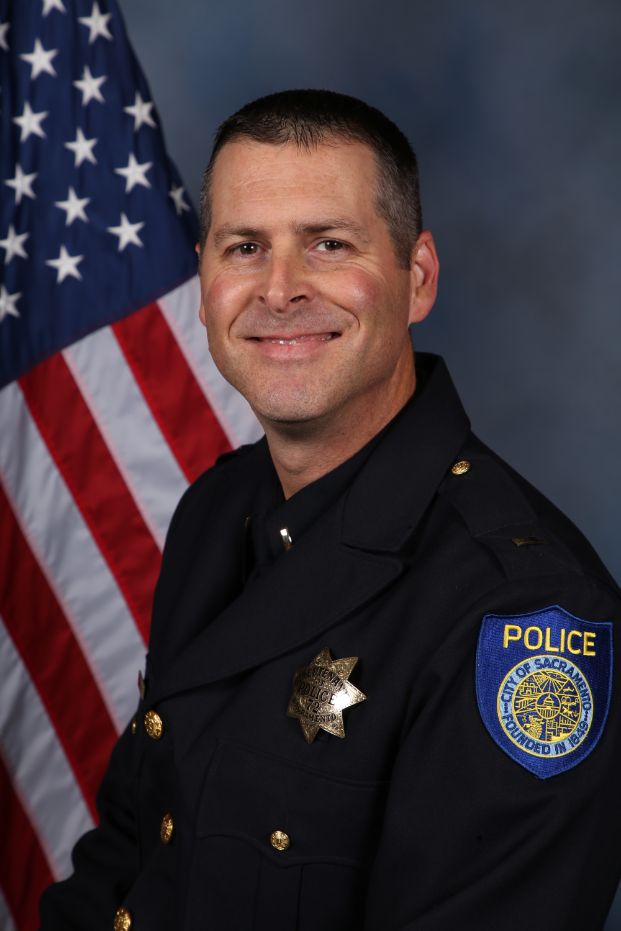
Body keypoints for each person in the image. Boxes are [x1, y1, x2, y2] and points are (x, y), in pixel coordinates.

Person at [40, 89, 621, 931]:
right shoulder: (216, 511)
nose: (279, 290)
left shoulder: (519, 611)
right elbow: (137, 852)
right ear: (203, 284)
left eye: (328, 244)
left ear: (415, 277)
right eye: (245, 247)